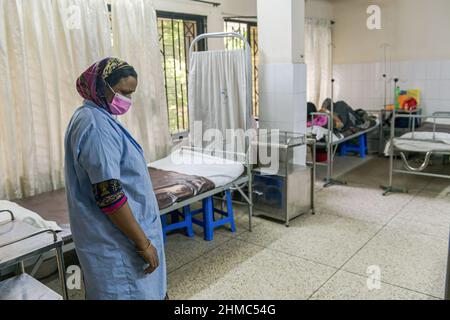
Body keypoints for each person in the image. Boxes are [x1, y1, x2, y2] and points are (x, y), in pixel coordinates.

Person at [64, 57, 167, 300]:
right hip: (117, 243)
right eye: (122, 92)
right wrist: (143, 243)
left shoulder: (98, 117)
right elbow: (109, 196)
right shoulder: (96, 126)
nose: (127, 100)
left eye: (131, 94)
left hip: (119, 238)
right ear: (101, 86)